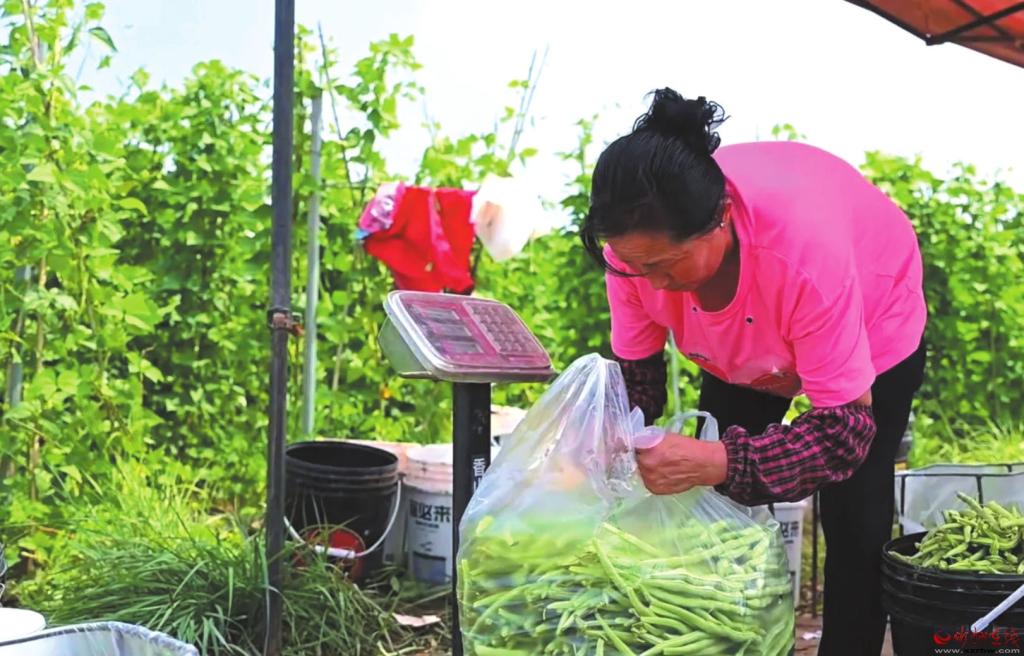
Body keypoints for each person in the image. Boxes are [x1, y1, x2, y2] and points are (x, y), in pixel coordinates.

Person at [581, 88, 927, 655]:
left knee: (855, 514)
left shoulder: (805, 257)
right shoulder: (634, 260)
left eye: (666, 264)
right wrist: (607, 444)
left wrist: (719, 460)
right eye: (636, 267)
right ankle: (726, 639)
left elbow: (844, 434)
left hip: (873, 313)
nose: (654, 284)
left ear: (720, 219)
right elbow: (636, 379)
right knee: (716, 511)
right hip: (743, 346)